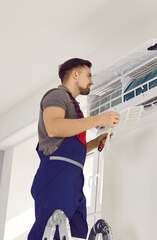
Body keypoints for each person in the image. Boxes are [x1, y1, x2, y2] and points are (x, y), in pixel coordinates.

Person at [28, 58, 120, 240]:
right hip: (56, 174)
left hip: (73, 178)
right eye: (89, 75)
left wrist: (95, 142)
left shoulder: (73, 105)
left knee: (76, 233)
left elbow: (69, 147)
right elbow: (54, 128)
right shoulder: (56, 95)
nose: (91, 81)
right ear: (75, 74)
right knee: (49, 231)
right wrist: (99, 119)